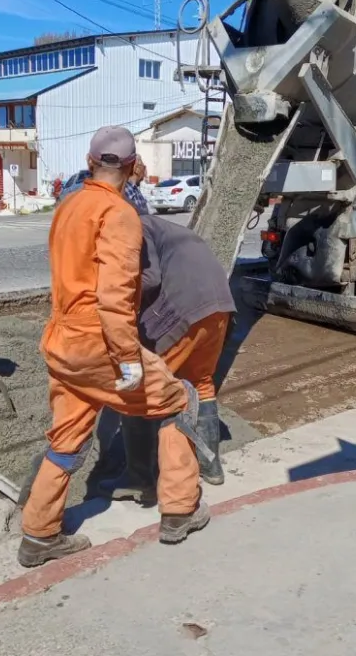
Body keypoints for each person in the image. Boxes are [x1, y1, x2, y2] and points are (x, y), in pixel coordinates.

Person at [18, 126, 210, 569]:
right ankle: (180, 510)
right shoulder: (118, 214)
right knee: (178, 400)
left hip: (61, 341)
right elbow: (113, 297)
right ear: (131, 166)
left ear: (90, 161)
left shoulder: (68, 206)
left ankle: (39, 534)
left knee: (68, 435)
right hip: (98, 342)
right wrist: (127, 360)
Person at [97, 214, 235, 500]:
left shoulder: (132, 226)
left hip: (184, 307)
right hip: (218, 304)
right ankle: (211, 467)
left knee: (140, 390)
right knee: (202, 383)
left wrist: (116, 308)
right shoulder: (160, 226)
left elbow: (148, 278)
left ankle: (140, 479)